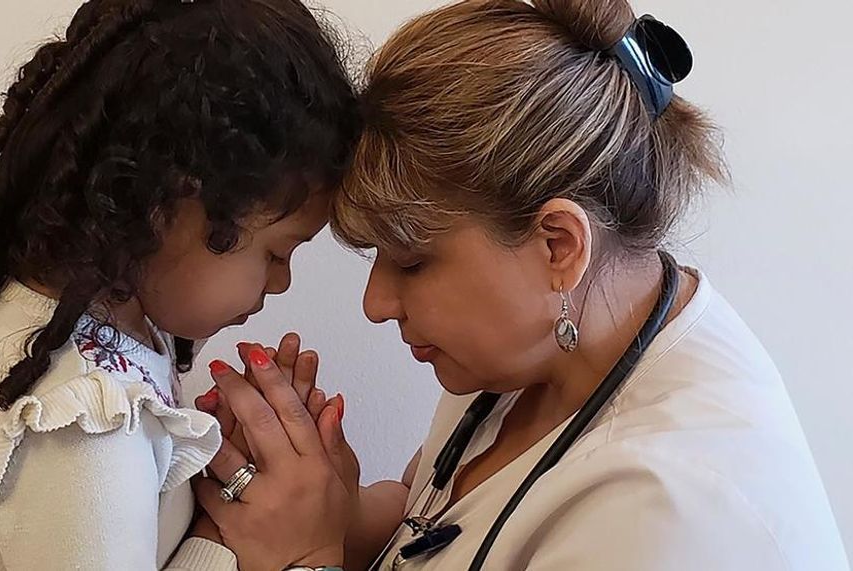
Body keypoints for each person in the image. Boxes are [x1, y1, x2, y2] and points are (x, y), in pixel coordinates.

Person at [189, 0, 850, 569]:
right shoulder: (555, 339)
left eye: (412, 262)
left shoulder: (677, 512)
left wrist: (304, 556)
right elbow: (441, 520)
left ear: (558, 245)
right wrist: (326, 503)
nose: (375, 304)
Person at [0, 0, 358, 568]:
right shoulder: (83, 429)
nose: (283, 281)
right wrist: (233, 546)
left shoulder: (111, 330)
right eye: (276, 253)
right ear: (167, 206)